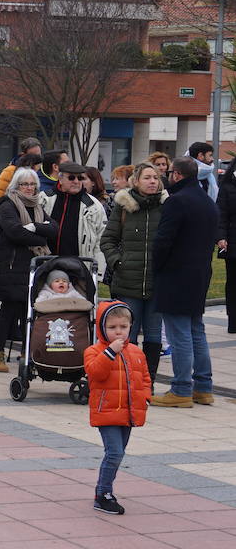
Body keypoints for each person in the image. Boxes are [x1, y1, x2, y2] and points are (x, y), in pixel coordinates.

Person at [151, 156, 218, 408]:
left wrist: (156, 267)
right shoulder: (207, 202)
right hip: (199, 274)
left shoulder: (177, 201)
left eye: (169, 173)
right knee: (196, 331)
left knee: (180, 334)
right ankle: (203, 387)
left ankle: (180, 389)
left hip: (176, 275)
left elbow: (163, 241)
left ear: (177, 175)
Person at [100, 162, 167, 380]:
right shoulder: (124, 205)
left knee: (154, 333)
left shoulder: (167, 206)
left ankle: (149, 380)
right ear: (136, 181)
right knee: (128, 332)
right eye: (147, 177)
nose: (152, 182)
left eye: (155, 178)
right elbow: (108, 240)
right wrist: (118, 263)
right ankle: (129, 377)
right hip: (128, 281)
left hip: (157, 282)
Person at [84, 301, 150, 515]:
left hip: (129, 412)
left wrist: (146, 397)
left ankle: (104, 491)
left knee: (118, 454)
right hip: (107, 412)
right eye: (112, 328)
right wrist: (110, 353)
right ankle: (103, 494)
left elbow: (145, 377)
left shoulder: (136, 352)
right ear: (102, 328)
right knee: (114, 453)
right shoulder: (94, 351)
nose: (118, 332)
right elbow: (95, 373)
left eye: (123, 326)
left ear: (131, 326)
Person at [0, 168, 53, 372]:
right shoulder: (7, 204)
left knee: (30, 311)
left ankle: (27, 352)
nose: (28, 188)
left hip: (33, 267)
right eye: (24, 184)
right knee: (8, 310)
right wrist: (41, 236)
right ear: (16, 186)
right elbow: (14, 232)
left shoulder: (37, 205)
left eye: (32, 184)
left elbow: (54, 228)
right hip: (12, 265)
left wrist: (34, 228)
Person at [44, 162, 106, 279]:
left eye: (80, 178)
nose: (76, 181)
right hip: (46, 267)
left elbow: (100, 241)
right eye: (71, 177)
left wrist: (97, 274)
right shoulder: (44, 199)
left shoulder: (94, 206)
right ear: (60, 179)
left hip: (80, 270)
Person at [0, 137, 43, 209]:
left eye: (38, 155)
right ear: (23, 154)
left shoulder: (43, 171)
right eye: (32, 155)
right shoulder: (10, 171)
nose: (36, 158)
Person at [220, 163, 236, 333]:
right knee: (232, 282)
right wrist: (221, 237)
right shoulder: (227, 187)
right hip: (232, 241)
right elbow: (221, 214)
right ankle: (233, 321)